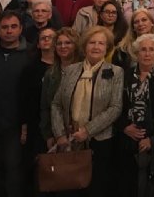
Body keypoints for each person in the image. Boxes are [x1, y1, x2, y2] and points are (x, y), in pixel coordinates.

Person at [51, 26, 124, 197]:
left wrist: (88, 130)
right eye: (92, 42)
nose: (96, 47)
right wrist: (59, 134)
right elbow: (56, 104)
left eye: (101, 43)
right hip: (70, 140)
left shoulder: (115, 72)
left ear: (107, 48)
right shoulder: (71, 70)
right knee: (70, 188)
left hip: (99, 141)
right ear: (84, 47)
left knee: (96, 189)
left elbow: (115, 108)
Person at [117, 34, 154, 197]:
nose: (147, 53)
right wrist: (124, 127)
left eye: (152, 50)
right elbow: (117, 107)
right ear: (137, 53)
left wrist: (152, 139)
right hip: (127, 140)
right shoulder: (124, 76)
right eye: (143, 50)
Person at [0, 10, 32, 197]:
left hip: (16, 125)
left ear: (21, 29)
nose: (9, 31)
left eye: (13, 27)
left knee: (14, 170)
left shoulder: (31, 53)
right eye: (4, 27)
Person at [24, 26, 55, 192]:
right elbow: (26, 99)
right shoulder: (30, 68)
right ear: (38, 44)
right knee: (39, 168)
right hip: (36, 124)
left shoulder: (66, 66)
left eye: (51, 37)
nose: (47, 40)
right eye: (43, 38)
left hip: (60, 126)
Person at [39, 27, 81, 150]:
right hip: (57, 133)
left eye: (68, 43)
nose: (63, 46)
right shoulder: (50, 74)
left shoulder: (85, 70)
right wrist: (49, 135)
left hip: (81, 132)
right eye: (59, 43)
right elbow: (45, 106)